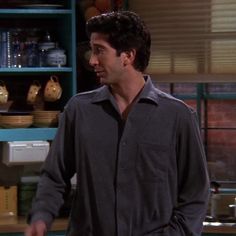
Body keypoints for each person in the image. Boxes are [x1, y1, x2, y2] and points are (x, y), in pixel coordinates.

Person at [25, 11, 210, 236]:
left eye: (99, 50)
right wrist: (41, 216)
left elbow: (195, 196)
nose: (92, 60)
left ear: (128, 56)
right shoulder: (79, 111)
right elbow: (55, 176)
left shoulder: (178, 117)